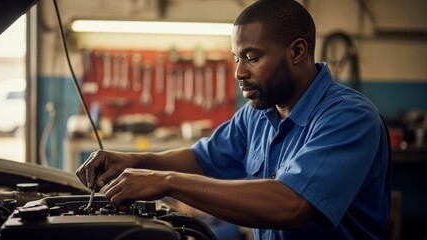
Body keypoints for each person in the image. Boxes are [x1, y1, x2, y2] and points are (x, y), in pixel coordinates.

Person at [76, 0, 391, 239]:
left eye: (252, 58)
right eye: (237, 58)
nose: (240, 72)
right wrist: (133, 160)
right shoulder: (258, 114)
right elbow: (202, 160)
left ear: (296, 52)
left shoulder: (349, 117)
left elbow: (291, 205)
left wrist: (165, 182)